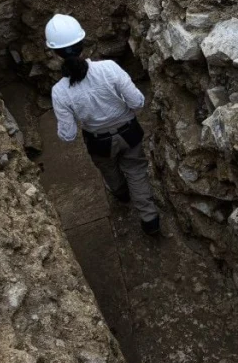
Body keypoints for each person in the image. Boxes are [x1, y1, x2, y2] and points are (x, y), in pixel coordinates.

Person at [45, 13, 161, 235]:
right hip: (129, 133)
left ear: (54, 52)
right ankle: (149, 219)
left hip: (99, 142)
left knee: (109, 169)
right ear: (82, 42)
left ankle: (120, 193)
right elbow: (137, 102)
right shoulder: (108, 68)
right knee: (136, 170)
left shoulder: (59, 92)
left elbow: (68, 136)